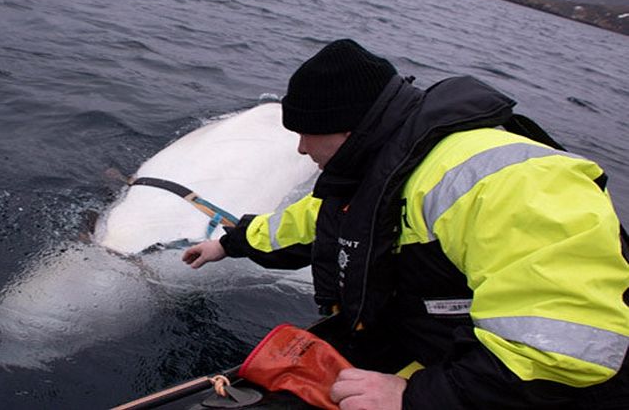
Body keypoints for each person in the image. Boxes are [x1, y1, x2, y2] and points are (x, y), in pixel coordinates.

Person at [182, 38, 629, 409]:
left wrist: (415, 398)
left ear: (347, 127)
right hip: (441, 353)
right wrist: (232, 243)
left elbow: (563, 351)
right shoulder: (389, 164)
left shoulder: (513, 182)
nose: (300, 149)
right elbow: (324, 221)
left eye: (306, 133)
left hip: (529, 390)